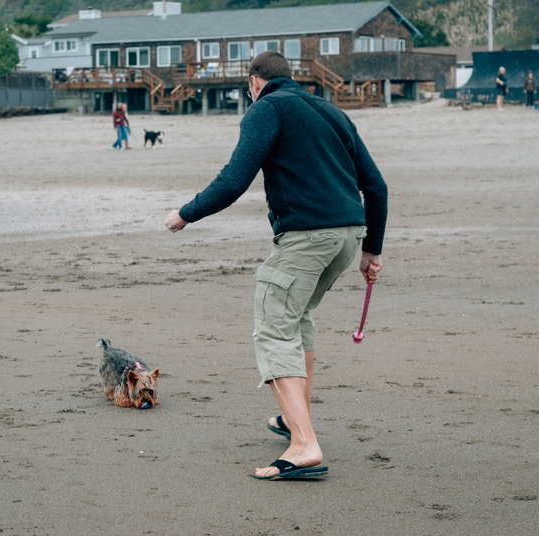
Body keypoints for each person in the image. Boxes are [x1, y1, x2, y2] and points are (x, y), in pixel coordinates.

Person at [164, 51, 388, 480]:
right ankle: (293, 418)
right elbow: (375, 186)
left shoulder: (266, 108)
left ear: (254, 82)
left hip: (308, 235)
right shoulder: (330, 110)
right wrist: (370, 252)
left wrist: (186, 214)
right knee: (297, 316)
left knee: (273, 325)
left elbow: (234, 179)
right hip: (348, 234)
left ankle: (304, 444)